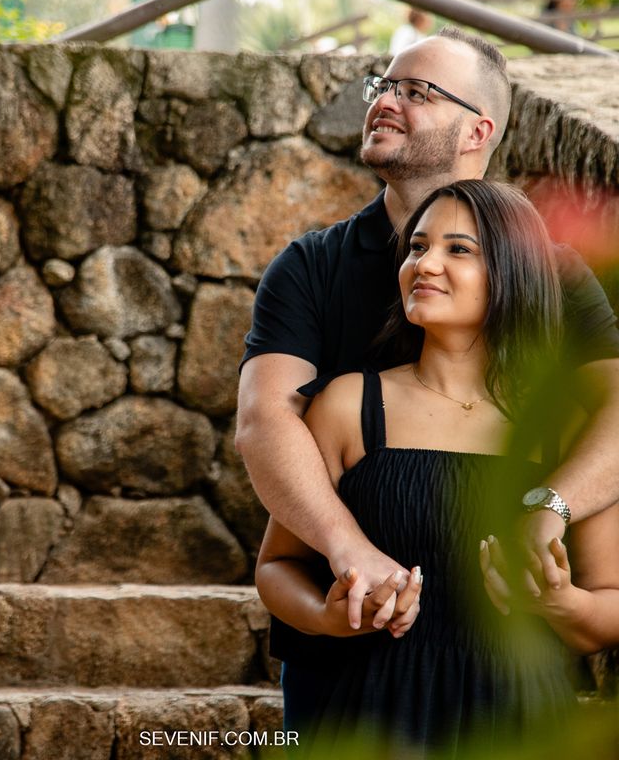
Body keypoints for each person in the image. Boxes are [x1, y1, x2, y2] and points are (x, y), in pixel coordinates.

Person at [235, 26, 619, 634]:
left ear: (477, 130)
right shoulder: (311, 266)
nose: (383, 102)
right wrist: (349, 551)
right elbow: (263, 422)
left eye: (416, 91)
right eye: (383, 86)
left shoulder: (555, 274)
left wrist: (551, 509)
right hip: (344, 642)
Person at [255, 179, 619, 754]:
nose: (423, 264)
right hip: (372, 718)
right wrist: (327, 618)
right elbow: (277, 567)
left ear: (513, 273)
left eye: (458, 249)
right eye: (418, 247)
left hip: (523, 721)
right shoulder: (351, 404)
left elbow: (611, 604)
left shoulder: (564, 426)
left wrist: (560, 604)